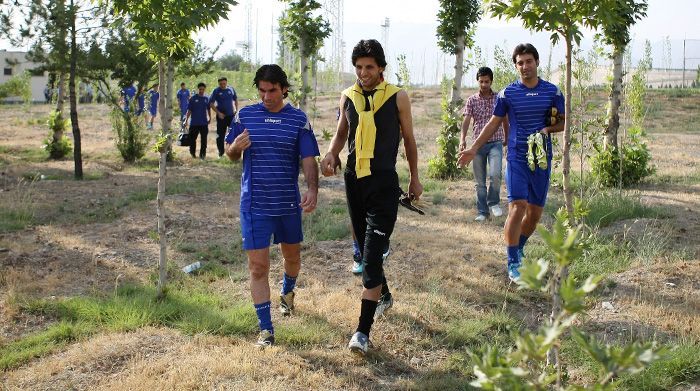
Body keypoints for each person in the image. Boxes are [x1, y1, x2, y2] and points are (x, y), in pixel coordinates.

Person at [320, 39, 423, 356]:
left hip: (383, 182)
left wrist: (415, 177)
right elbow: (342, 132)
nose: (363, 73)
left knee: (371, 254)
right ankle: (385, 295)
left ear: (381, 68)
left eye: (369, 67)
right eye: (359, 67)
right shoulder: (348, 96)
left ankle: (361, 333)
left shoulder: (397, 97)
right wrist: (332, 154)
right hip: (354, 180)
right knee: (367, 252)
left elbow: (408, 138)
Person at [225, 64, 320, 348]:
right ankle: (266, 330)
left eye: (273, 91)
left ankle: (288, 292)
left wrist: (312, 189)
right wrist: (235, 148)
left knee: (292, 259)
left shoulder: (299, 120)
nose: (267, 96)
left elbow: (308, 160)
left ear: (284, 89)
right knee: (258, 267)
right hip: (254, 205)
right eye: (262, 91)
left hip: (288, 204)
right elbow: (229, 154)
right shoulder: (245, 116)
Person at [457, 43, 565, 282]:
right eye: (520, 62)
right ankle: (513, 261)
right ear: (516, 66)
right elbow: (494, 123)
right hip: (516, 156)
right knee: (517, 207)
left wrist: (548, 129)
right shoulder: (508, 93)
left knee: (534, 215)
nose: (524, 66)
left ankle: (518, 246)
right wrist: (473, 148)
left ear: (537, 62)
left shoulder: (553, 91)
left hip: (541, 160)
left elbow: (563, 122)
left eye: (528, 61)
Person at [459, 66, 509, 222]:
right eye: (481, 81)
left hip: (496, 142)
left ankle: (493, 202)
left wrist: (507, 137)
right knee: (479, 181)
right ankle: (482, 212)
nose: (484, 85)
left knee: (495, 174)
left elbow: (505, 119)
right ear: (477, 81)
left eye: (487, 81)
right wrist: (462, 138)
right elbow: (466, 120)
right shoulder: (472, 100)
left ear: (491, 81)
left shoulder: (498, 98)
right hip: (478, 145)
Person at [211, 77, 239, 157]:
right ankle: (221, 153)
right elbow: (211, 104)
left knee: (233, 134)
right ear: (218, 84)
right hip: (221, 117)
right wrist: (218, 113)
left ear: (226, 82)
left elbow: (235, 99)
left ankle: (232, 152)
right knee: (220, 135)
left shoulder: (231, 89)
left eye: (224, 83)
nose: (222, 85)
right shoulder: (216, 91)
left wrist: (236, 110)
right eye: (221, 84)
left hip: (231, 116)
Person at [184, 82, 211, 159]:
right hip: (194, 123)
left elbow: (208, 109)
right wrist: (186, 120)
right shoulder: (193, 98)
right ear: (198, 89)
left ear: (205, 89)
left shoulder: (206, 99)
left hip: (203, 123)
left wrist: (210, 117)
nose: (201, 91)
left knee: (204, 141)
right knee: (192, 140)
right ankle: (192, 154)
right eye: (200, 89)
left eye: (203, 89)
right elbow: (189, 110)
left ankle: (202, 155)